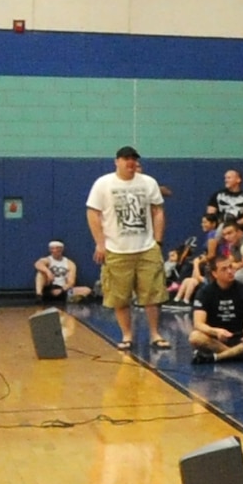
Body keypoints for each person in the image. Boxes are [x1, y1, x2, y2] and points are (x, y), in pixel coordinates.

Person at [86, 145, 169, 353]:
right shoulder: (103, 184)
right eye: (125, 159)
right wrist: (100, 242)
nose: (130, 162)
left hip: (146, 248)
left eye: (133, 159)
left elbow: (158, 210)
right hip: (116, 250)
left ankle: (155, 334)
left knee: (152, 295)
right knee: (120, 297)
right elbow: (93, 214)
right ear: (117, 162)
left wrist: (158, 241)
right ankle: (127, 335)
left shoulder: (149, 182)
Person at [188, 253, 243, 363]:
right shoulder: (205, 292)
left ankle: (219, 357)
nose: (230, 271)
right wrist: (215, 331)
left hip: (240, 338)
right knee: (195, 337)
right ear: (215, 274)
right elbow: (198, 323)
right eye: (224, 269)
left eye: (230, 267)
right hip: (216, 339)